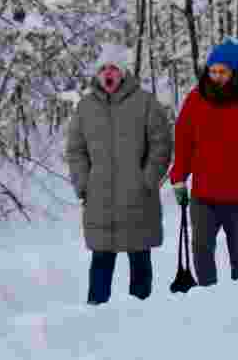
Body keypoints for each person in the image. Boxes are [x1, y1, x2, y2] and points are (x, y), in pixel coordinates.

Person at [168, 38, 238, 286]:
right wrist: (178, 177)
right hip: (205, 195)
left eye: (222, 71)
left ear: (234, 72)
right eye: (212, 71)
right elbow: (184, 143)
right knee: (201, 251)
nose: (216, 76)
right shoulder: (196, 100)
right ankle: (209, 300)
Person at [64, 43, 173, 305]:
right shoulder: (86, 108)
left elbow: (162, 144)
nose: (108, 73)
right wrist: (84, 184)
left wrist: (147, 179)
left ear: (123, 72)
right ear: (98, 74)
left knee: (140, 257)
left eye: (113, 67)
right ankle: (96, 312)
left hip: (138, 197)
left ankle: (141, 312)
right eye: (103, 69)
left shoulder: (146, 103)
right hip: (100, 198)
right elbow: (76, 150)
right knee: (101, 258)